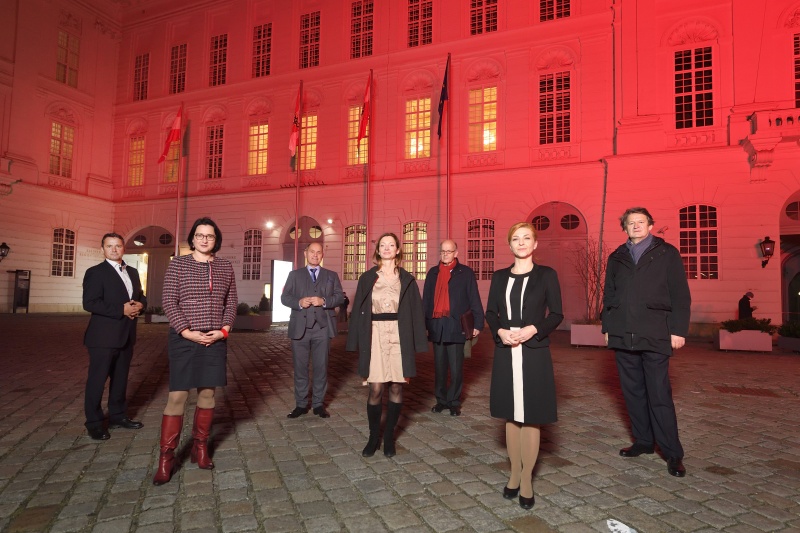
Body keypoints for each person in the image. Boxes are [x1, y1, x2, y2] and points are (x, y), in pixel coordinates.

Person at [602, 207, 691, 478]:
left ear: (651, 225)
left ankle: (672, 452)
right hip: (623, 332)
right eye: (631, 223)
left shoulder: (667, 253)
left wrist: (677, 330)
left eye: (641, 222)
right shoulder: (616, 257)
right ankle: (643, 441)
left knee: (659, 394)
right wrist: (608, 326)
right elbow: (609, 293)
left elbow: (680, 294)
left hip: (655, 331)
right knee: (632, 392)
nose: (636, 226)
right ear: (625, 228)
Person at [153, 217, 237, 485]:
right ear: (192, 239)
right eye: (199, 235)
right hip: (185, 338)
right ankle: (166, 458)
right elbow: (168, 300)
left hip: (214, 338)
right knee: (177, 396)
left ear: (216, 240)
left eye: (209, 236)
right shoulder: (178, 264)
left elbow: (231, 301)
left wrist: (223, 331)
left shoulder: (225, 266)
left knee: (208, 394)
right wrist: (186, 331)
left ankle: (200, 447)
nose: (204, 239)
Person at [486, 222, 563, 510]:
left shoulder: (546, 275)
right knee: (510, 413)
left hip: (533, 350)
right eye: (515, 238)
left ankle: (527, 479)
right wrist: (500, 332)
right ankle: (514, 474)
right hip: (507, 351)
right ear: (509, 245)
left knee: (530, 414)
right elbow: (491, 312)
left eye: (526, 238)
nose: (521, 243)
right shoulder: (499, 277)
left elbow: (556, 313)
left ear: (535, 244)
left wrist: (533, 329)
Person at [346, 232, 427, 458]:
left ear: (398, 249)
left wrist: (418, 342)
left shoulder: (407, 279)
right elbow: (357, 312)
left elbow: (416, 312)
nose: (387, 248)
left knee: (396, 387)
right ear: (378, 250)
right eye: (383, 245)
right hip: (375, 335)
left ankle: (389, 437)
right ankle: (373, 437)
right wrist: (355, 341)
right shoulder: (368, 277)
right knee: (376, 387)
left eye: (391, 245)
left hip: (399, 335)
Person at [82, 232, 147, 440]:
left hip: (126, 335)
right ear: (103, 249)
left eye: (117, 246)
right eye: (109, 246)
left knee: (120, 380)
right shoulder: (95, 272)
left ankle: (118, 415)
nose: (114, 249)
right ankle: (93, 423)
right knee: (97, 380)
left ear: (123, 248)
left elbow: (140, 295)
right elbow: (90, 303)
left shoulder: (134, 272)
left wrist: (141, 304)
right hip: (102, 337)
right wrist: (121, 310)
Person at [281, 242, 345, 419]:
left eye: (318, 252)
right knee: (300, 368)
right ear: (305, 253)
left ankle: (318, 404)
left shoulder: (331, 275)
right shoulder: (294, 275)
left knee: (321, 368)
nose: (315, 255)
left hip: (322, 329)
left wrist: (324, 301)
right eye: (312, 252)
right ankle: (301, 404)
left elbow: (339, 297)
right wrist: (299, 303)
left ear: (322, 255)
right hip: (300, 328)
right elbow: (284, 297)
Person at [422, 239, 484, 416]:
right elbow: (426, 301)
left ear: (456, 253)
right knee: (439, 368)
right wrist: (423, 325)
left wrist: (478, 323)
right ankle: (441, 400)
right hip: (438, 326)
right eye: (443, 251)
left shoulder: (465, 273)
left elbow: (474, 298)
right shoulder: (433, 273)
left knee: (456, 369)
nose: (445, 254)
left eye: (449, 251)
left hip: (456, 326)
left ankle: (454, 402)